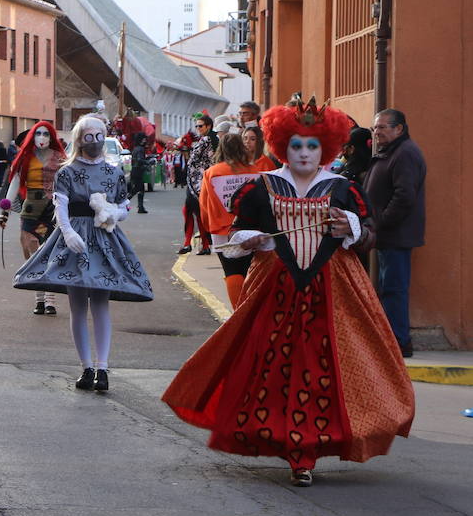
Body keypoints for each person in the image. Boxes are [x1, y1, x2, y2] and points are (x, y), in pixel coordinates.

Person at [162, 97, 415, 487]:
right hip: (274, 293)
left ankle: (307, 451)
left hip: (333, 292)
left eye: (312, 145)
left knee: (323, 369)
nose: (303, 153)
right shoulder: (262, 187)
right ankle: (285, 441)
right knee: (273, 367)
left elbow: (367, 235)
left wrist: (353, 230)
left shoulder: (341, 188)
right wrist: (253, 238)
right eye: (296, 144)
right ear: (282, 146)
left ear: (325, 148)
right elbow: (236, 232)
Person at [14, 114, 154, 392]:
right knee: (78, 306)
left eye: (98, 136)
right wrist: (67, 232)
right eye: (88, 136)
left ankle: (102, 368)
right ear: (80, 139)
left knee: (101, 304)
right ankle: (86, 367)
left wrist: (114, 212)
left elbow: (125, 205)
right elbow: (61, 205)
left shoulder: (114, 172)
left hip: (104, 239)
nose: (94, 141)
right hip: (75, 239)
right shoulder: (66, 172)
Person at [366, 109, 426, 358]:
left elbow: (404, 196)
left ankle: (399, 342)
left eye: (382, 127)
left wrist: (380, 222)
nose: (377, 132)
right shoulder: (393, 151)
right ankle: (393, 340)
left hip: (396, 235)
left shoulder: (405, 153)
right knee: (388, 287)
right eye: (375, 128)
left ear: (399, 128)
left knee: (394, 289)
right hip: (389, 235)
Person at [0, 121, 65, 315]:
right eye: (38, 134)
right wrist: (5, 210)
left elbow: (67, 184)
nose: (42, 138)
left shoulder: (60, 158)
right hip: (31, 210)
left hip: (52, 210)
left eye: (46, 134)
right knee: (33, 252)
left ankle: (51, 299)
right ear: (32, 137)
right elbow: (14, 183)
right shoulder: (25, 158)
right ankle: (39, 298)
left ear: (51, 137)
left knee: (51, 253)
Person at [198, 132, 264, 308]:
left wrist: (207, 227)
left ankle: (238, 311)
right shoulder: (254, 171)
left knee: (231, 269)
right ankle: (251, 308)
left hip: (221, 231)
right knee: (249, 268)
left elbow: (204, 205)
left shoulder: (211, 173)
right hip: (250, 228)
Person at [179, 113, 216, 255]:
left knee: (192, 211)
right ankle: (197, 244)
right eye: (197, 126)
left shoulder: (205, 140)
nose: (198, 128)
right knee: (194, 211)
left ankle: (193, 243)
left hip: (198, 182)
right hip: (205, 180)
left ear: (208, 126)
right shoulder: (214, 139)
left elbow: (192, 160)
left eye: (200, 126)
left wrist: (187, 150)